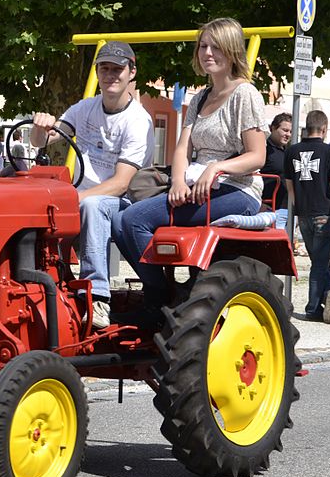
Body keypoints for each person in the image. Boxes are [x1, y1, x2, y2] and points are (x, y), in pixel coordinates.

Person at [112, 18, 267, 326]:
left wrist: (218, 167)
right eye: (203, 46)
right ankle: (164, 289)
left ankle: (159, 297)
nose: (207, 53)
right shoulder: (201, 97)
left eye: (215, 47)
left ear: (232, 50)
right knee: (120, 221)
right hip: (199, 182)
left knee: (133, 219)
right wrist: (178, 181)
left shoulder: (245, 94)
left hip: (237, 188)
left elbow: (257, 156)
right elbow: (182, 148)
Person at [31, 40, 154, 328]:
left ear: (131, 73)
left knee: (92, 204)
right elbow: (43, 141)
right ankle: (43, 283)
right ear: (97, 72)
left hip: (124, 202)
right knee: (36, 202)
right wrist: (40, 127)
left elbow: (122, 182)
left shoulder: (138, 120)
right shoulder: (85, 108)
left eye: (117, 69)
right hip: (82, 196)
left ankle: (97, 296)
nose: (110, 75)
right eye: (105, 69)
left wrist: (75, 198)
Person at [284, 110, 330, 323]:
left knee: (320, 260)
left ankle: (329, 293)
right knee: (319, 263)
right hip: (324, 213)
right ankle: (313, 308)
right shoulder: (329, 151)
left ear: (306, 127)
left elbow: (289, 186)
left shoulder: (291, 151)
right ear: (324, 129)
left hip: (304, 214)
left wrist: (297, 211)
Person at [261, 112, 293, 229]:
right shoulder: (263, 149)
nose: (288, 134)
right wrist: (259, 203)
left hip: (285, 209)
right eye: (284, 130)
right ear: (273, 128)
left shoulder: (287, 151)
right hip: (269, 209)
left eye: (290, 131)